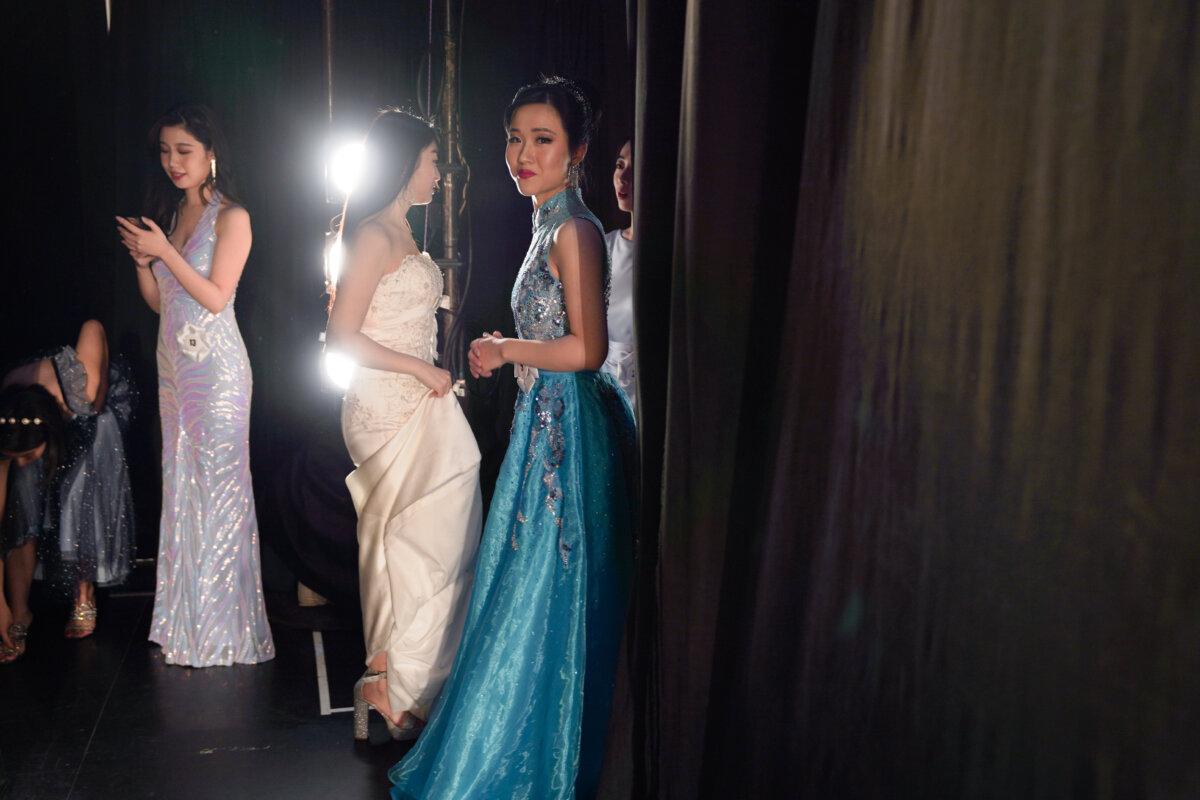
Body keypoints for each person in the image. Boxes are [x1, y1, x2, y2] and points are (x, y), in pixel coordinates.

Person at [390, 76, 637, 799]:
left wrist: (505, 350)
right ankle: (522, 747)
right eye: (514, 138)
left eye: (543, 140)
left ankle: (542, 763)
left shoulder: (576, 231)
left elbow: (587, 350)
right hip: (545, 423)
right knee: (525, 589)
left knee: (549, 593)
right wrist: (510, 351)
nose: (522, 153)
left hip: (571, 430)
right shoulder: (544, 224)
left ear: (578, 151)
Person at [325, 109, 483, 741]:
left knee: (423, 542)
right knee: (404, 541)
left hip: (415, 398)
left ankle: (393, 677)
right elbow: (340, 337)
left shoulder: (404, 234)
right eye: (432, 161)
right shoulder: (371, 236)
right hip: (382, 406)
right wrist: (422, 370)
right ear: (405, 164)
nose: (440, 174)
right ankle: (392, 681)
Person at [117, 103, 274, 667]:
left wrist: (162, 252)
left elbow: (214, 297)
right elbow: (163, 303)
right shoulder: (169, 215)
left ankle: (223, 630)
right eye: (165, 151)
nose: (173, 162)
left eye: (184, 150)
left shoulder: (233, 218)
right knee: (182, 485)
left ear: (212, 153)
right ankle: (185, 622)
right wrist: (143, 260)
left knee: (220, 491)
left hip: (220, 370)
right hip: (174, 368)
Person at [0, 320, 136, 662]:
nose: (21, 464)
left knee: (81, 495)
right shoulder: (6, 421)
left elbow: (95, 326)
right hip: (39, 414)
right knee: (20, 513)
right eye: (14, 459)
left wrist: (98, 394)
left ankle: (83, 594)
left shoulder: (80, 389)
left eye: (28, 457)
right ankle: (20, 613)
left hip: (92, 408)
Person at [601, 138, 637, 414]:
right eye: (619, 165)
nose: (622, 178)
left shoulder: (673, 252)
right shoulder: (604, 246)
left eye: (634, 169)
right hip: (602, 395)